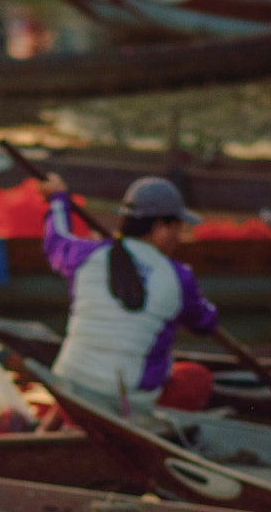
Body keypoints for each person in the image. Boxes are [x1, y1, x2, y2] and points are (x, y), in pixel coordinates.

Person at [39, 173, 219, 415]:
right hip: (125, 403)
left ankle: (63, 420)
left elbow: (56, 240)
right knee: (197, 378)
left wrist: (58, 198)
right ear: (160, 228)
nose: (179, 236)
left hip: (68, 387)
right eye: (177, 228)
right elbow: (206, 323)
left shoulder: (86, 256)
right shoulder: (179, 277)